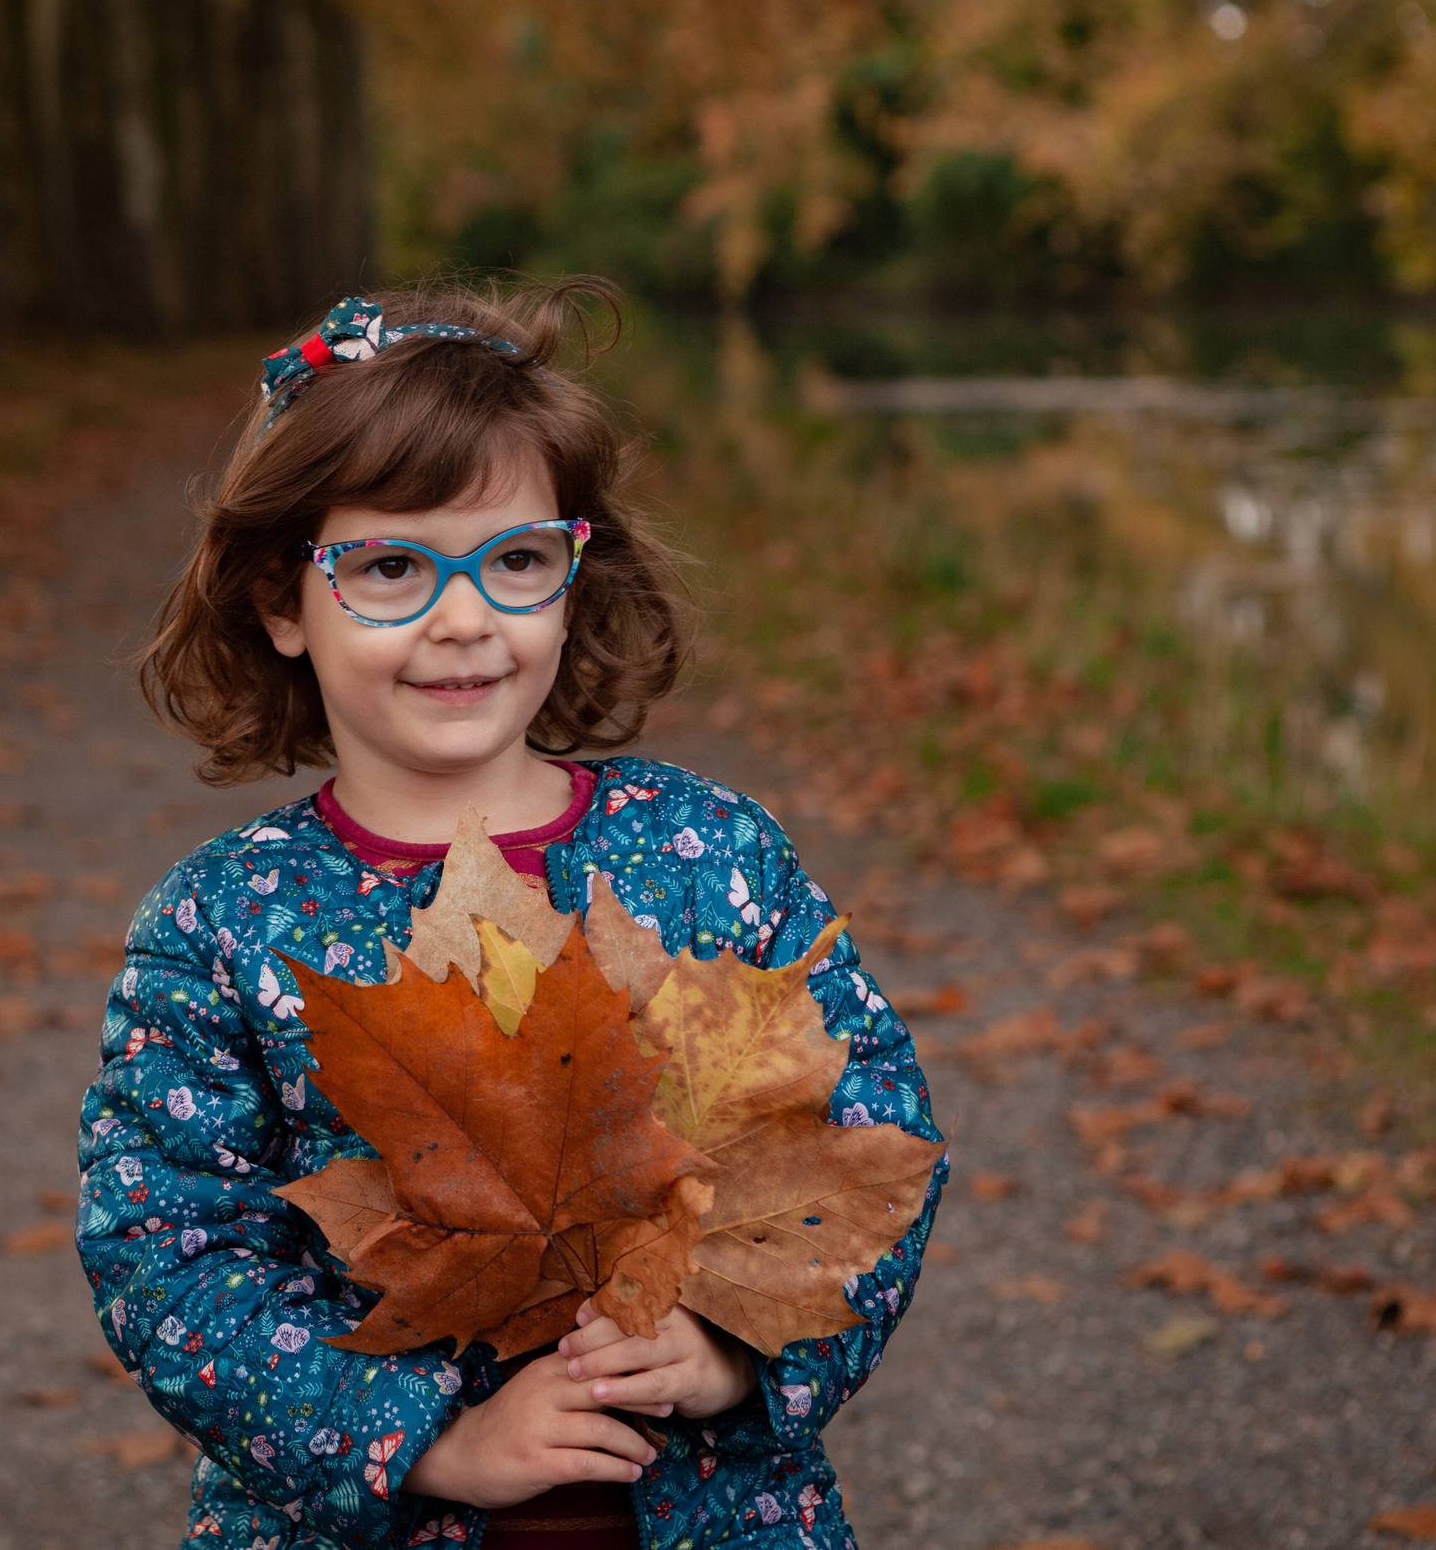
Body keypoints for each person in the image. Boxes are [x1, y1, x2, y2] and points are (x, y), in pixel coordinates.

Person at [77, 281, 945, 1549]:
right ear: (279, 601)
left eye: (517, 561)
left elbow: (871, 1137)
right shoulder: (223, 924)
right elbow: (164, 1248)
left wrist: (734, 1346)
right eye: (387, 567)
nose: (464, 618)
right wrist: (421, 1438)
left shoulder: (708, 853)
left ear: (574, 573)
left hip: (716, 1516)